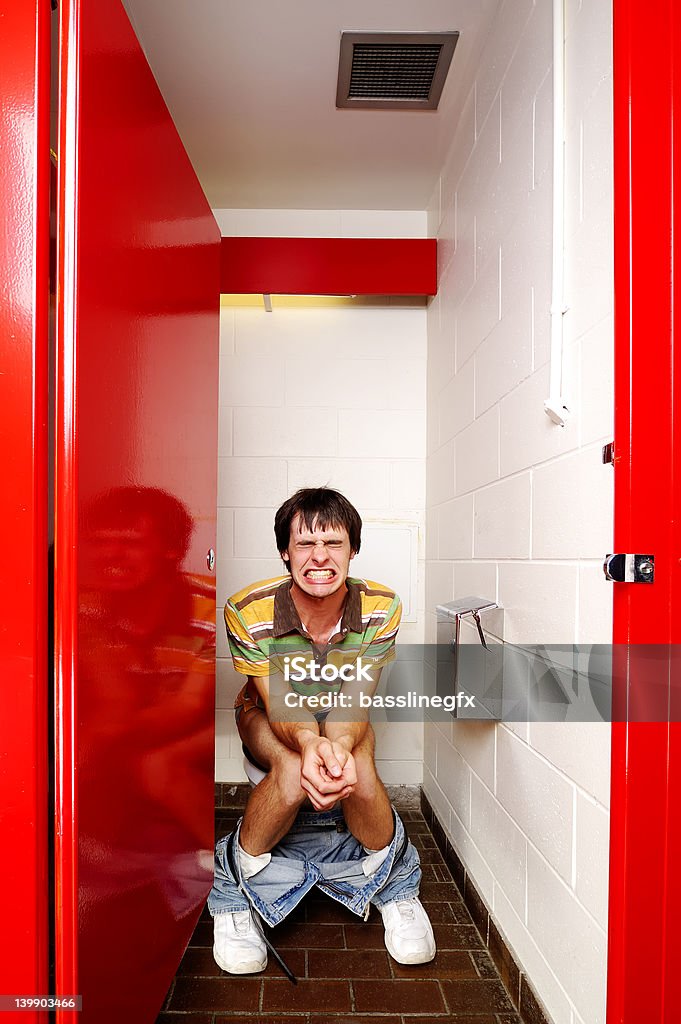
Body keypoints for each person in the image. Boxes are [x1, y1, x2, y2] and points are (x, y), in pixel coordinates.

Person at [208, 487, 435, 975]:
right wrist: (310, 743)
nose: (319, 557)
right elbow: (275, 700)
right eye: (305, 543)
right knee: (291, 769)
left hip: (343, 713)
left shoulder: (382, 606)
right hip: (269, 714)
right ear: (285, 552)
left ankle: (394, 886)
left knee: (356, 764)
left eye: (333, 543)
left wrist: (335, 746)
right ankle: (235, 893)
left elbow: (358, 696)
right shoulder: (246, 610)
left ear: (353, 549)